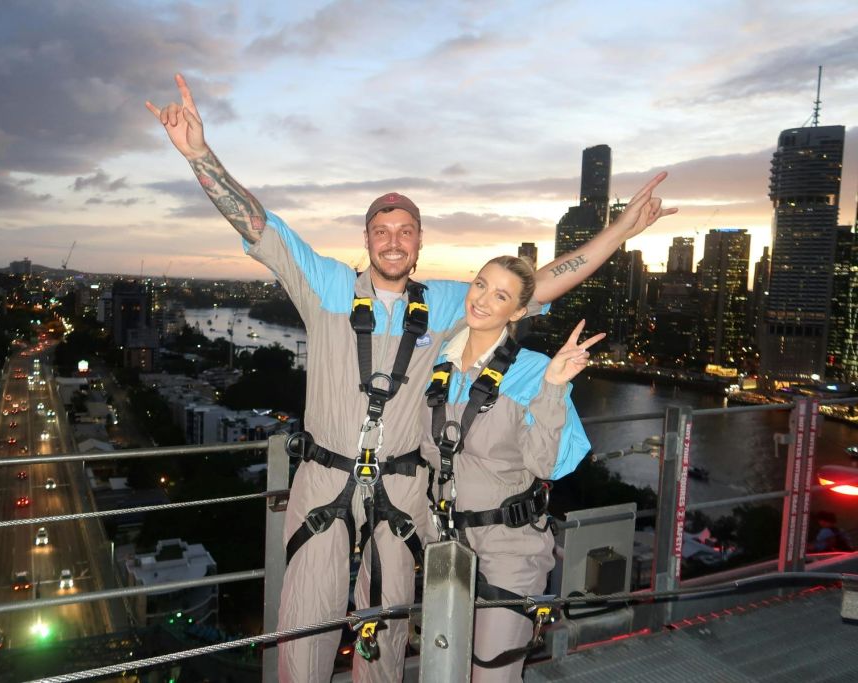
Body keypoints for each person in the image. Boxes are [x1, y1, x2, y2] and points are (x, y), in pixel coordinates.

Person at [146, 73, 676, 683]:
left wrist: (620, 231)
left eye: (404, 231)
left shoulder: (450, 304)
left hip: (402, 491)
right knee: (303, 633)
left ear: (419, 242)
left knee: (388, 635)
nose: (392, 240)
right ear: (366, 239)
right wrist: (198, 156)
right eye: (381, 229)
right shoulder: (328, 287)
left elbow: (534, 283)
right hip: (323, 481)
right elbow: (258, 225)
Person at [421, 256, 598, 682]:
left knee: (492, 676)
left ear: (519, 311)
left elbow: (546, 465)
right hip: (444, 543)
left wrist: (554, 388)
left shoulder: (533, 370)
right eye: (480, 285)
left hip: (509, 548)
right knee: (444, 671)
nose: (482, 300)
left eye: (500, 295)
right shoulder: (435, 363)